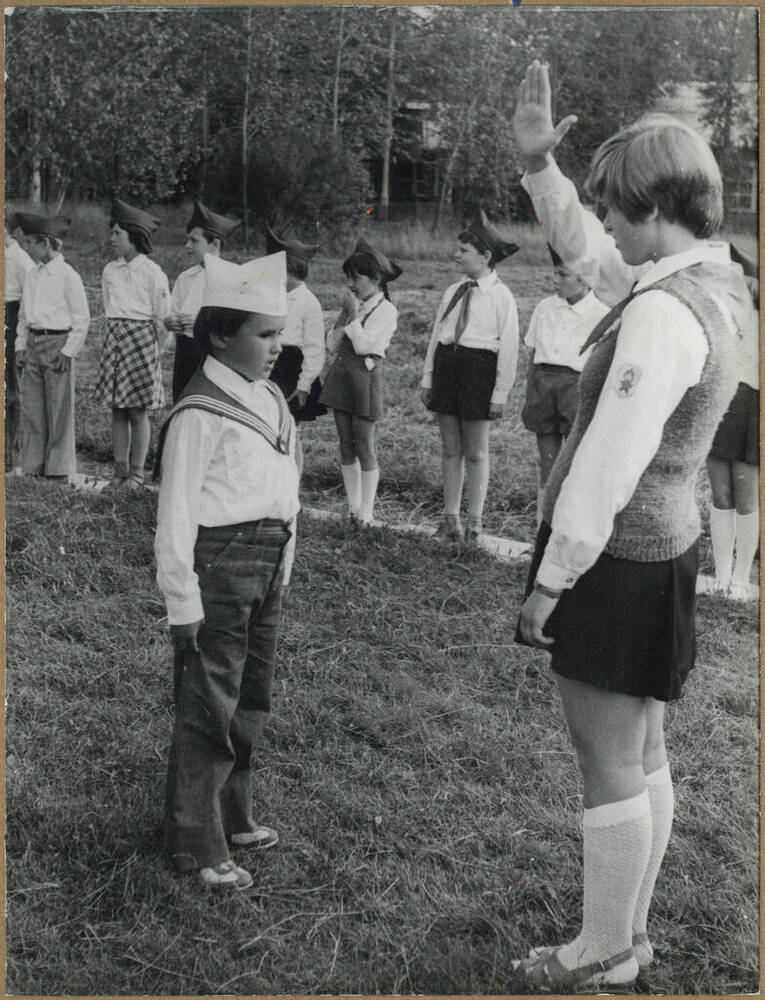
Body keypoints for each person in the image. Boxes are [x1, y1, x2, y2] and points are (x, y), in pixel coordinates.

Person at [512, 60, 753, 990]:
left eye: (615, 207)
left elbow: (607, 460)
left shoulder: (659, 315)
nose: (604, 223)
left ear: (656, 207)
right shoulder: (705, 284)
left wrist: (549, 579)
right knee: (641, 748)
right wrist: (544, 171)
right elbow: (590, 259)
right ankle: (627, 937)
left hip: (614, 549)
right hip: (663, 541)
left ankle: (600, 949)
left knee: (604, 755)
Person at [154, 250, 298, 890]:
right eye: (263, 334)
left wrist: (284, 564)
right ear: (219, 335)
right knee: (208, 700)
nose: (275, 347)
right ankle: (195, 838)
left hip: (267, 565)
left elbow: (286, 488)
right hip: (218, 566)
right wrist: (182, 600)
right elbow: (176, 516)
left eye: (279, 333)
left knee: (250, 697)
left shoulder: (270, 396)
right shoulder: (200, 411)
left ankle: (234, 814)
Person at [420, 210, 519, 544]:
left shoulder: (501, 296)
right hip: (448, 366)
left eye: (463, 251)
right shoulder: (453, 291)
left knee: (476, 452)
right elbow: (437, 335)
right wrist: (428, 377)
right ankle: (450, 520)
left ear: (485, 256)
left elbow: (508, 348)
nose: (455, 255)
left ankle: (474, 524)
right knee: (450, 449)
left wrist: (499, 393)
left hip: (479, 372)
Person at [521, 245, 609, 526]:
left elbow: (601, 366)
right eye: (555, 273)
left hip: (578, 390)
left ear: (583, 278)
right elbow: (533, 354)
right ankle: (542, 530)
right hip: (544, 386)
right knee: (547, 461)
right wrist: (530, 392)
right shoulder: (545, 308)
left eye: (563, 274)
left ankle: (569, 528)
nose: (555, 280)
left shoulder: (601, 314)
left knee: (574, 464)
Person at [320, 238, 400, 525]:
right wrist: (345, 315)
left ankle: (366, 511)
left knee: (364, 443)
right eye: (348, 278)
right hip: (342, 377)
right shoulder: (353, 306)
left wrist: (352, 314)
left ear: (376, 279)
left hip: (365, 379)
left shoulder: (386, 311)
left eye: (356, 277)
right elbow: (331, 343)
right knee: (345, 443)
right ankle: (352, 507)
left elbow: (365, 346)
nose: (350, 284)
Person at [95, 198, 170, 490]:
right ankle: (120, 470)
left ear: (134, 237)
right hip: (116, 339)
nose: (112, 239)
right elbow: (107, 307)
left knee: (137, 411)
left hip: (142, 343)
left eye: (118, 234)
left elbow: (164, 319)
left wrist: (153, 352)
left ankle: (137, 473)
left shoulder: (153, 273)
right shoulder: (109, 271)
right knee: (117, 409)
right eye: (112, 233)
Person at [14, 211, 90, 481]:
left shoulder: (68, 276)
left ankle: (58, 468)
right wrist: (21, 345)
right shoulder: (32, 275)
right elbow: (25, 314)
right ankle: (34, 465)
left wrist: (68, 351)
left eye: (31, 243)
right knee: (34, 407)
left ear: (45, 243)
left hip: (57, 343)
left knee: (59, 409)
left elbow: (82, 318)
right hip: (34, 342)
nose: (27, 247)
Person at [706, 243, 759, 601]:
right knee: (720, 493)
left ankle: (741, 579)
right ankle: (721, 578)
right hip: (720, 403)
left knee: (746, 495)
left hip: (753, 407)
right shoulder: (719, 317)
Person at [165, 200, 241, 402]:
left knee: (212, 403)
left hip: (216, 353)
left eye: (194, 241)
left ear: (215, 244)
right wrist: (170, 322)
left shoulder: (233, 278)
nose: (187, 246)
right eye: (187, 240)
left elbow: (238, 323)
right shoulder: (186, 277)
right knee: (183, 401)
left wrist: (201, 323)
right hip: (186, 351)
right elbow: (173, 310)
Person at [265, 227, 326, 422]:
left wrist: (304, 385)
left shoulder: (309, 302)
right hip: (268, 363)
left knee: (289, 422)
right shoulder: (271, 296)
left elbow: (314, 348)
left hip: (291, 369)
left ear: (290, 270)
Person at [4, 212, 35, 469]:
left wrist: (21, 337)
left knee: (11, 387)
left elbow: (30, 300)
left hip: (12, 320)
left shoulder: (21, 260)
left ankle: (11, 456)